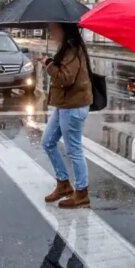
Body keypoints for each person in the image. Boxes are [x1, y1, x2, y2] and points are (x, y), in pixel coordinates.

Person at [40, 23, 93, 209]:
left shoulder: (72, 49)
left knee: (74, 150)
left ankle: (81, 193)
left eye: (54, 29)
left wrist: (48, 65)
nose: (51, 32)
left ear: (64, 29)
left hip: (74, 106)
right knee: (47, 142)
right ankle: (63, 183)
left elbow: (66, 78)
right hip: (64, 105)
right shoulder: (66, 48)